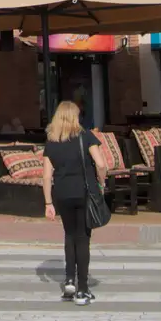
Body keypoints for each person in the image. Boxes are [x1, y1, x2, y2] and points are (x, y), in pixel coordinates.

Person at [40, 100, 107, 307]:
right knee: (83, 238)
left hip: (62, 194)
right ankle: (83, 289)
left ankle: (69, 281)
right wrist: (102, 183)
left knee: (69, 235)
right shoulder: (86, 136)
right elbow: (101, 164)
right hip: (85, 193)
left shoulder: (51, 142)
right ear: (75, 117)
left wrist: (48, 203)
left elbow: (45, 176)